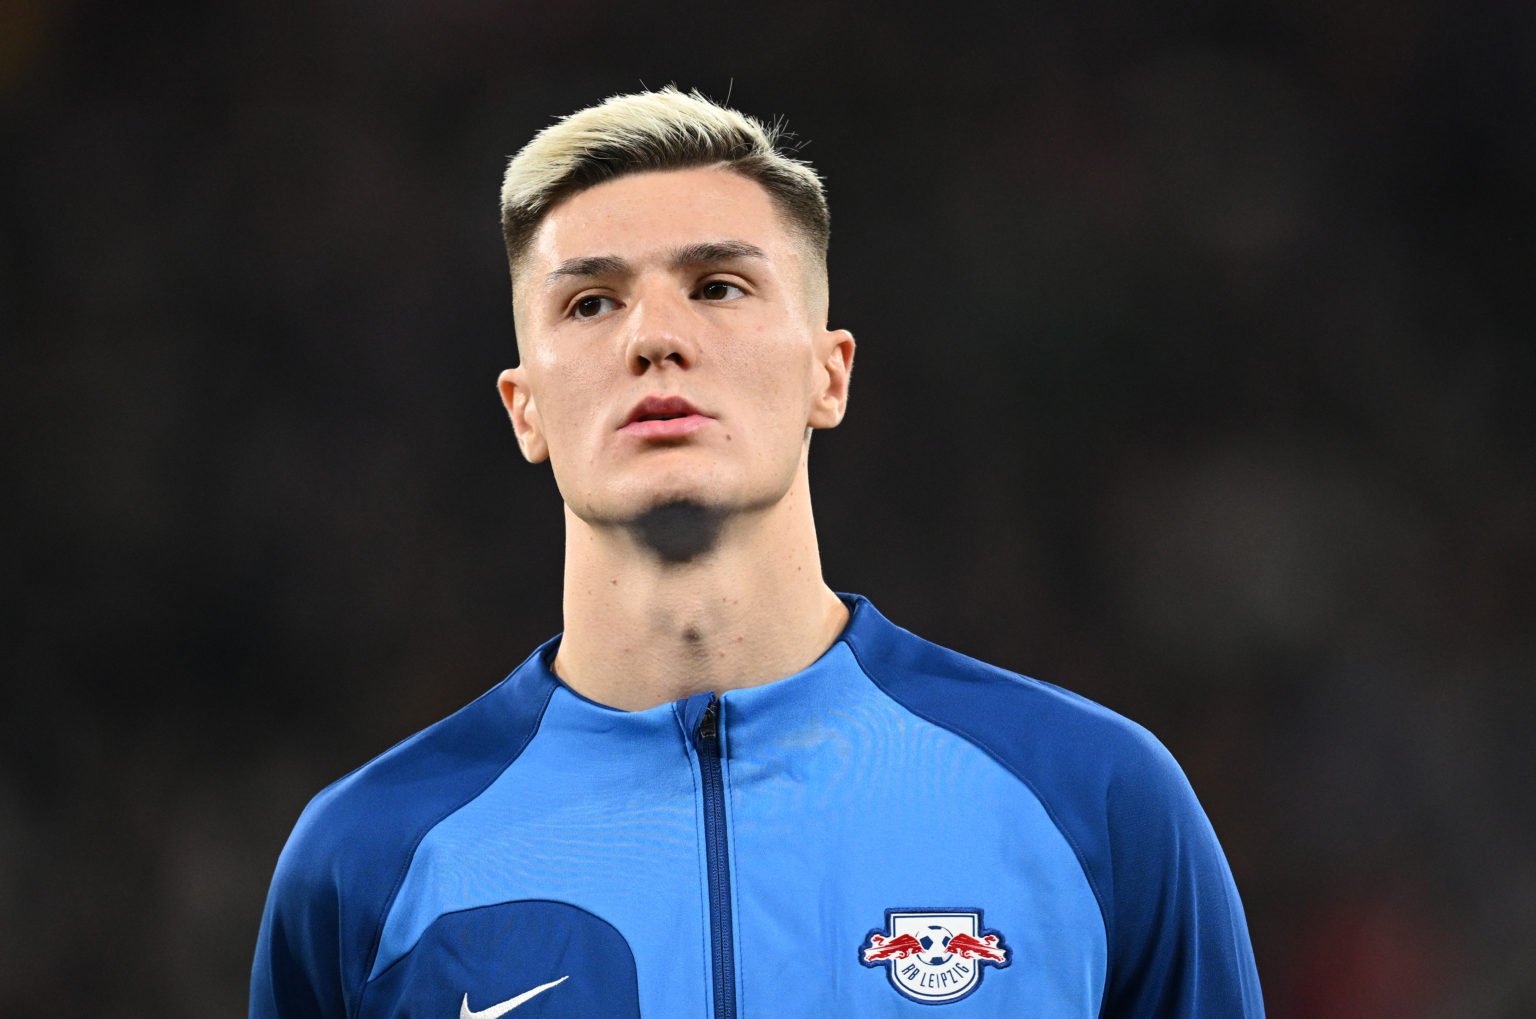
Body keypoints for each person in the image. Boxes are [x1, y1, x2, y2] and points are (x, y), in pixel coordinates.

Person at [250, 88, 1264, 1018]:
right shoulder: (364, 863)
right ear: (525, 407)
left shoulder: (1096, 799)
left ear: (830, 373)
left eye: (720, 284)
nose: (655, 336)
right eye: (591, 301)